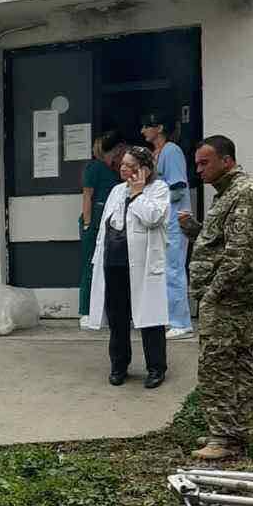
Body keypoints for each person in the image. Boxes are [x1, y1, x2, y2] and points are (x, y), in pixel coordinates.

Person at [179, 136, 253, 462]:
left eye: (205, 163)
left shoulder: (244, 196)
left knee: (218, 368)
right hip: (227, 300)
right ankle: (231, 432)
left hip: (227, 301)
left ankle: (222, 438)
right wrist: (196, 231)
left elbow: (238, 256)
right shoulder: (229, 195)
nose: (198, 170)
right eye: (197, 163)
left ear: (226, 161)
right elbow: (224, 243)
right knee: (233, 365)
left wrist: (211, 296)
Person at [84, 144, 170, 388]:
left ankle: (156, 368)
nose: (123, 169)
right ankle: (119, 366)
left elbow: (153, 218)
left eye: (130, 166)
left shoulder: (158, 189)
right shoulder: (115, 191)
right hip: (114, 264)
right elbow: (106, 226)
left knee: (149, 319)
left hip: (142, 266)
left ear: (144, 169)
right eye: (122, 164)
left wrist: (138, 193)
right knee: (117, 318)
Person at [141, 111, 192, 337]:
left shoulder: (171, 151)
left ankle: (181, 322)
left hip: (173, 218)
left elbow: (178, 187)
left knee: (173, 269)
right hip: (163, 219)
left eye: (146, 126)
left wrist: (155, 200)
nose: (142, 131)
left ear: (159, 128)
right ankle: (170, 317)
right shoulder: (155, 154)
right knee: (164, 270)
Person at [79, 130, 123, 323]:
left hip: (107, 221)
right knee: (90, 266)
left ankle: (99, 310)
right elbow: (87, 195)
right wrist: (88, 224)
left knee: (104, 268)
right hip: (95, 221)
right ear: (113, 150)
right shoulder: (94, 167)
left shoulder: (111, 169)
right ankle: (86, 311)